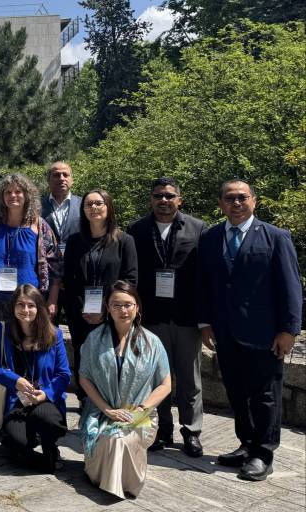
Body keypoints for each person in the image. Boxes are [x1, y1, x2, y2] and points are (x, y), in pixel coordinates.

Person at [197, 179, 302, 482]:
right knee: (237, 393)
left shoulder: (276, 237)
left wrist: (289, 330)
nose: (236, 203)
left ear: (254, 201)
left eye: (242, 197)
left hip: (264, 334)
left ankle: (263, 453)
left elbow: (290, 287)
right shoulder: (211, 238)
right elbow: (203, 285)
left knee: (265, 395)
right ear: (221, 204)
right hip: (225, 334)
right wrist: (204, 323)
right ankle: (246, 444)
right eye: (230, 198)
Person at [127, 177, 206, 456]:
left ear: (179, 200)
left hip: (187, 318)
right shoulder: (136, 230)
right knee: (157, 378)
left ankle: (191, 431)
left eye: (169, 196)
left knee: (189, 378)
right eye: (158, 196)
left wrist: (205, 319)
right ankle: (163, 430)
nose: (164, 201)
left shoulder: (197, 229)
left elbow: (204, 277)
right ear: (151, 199)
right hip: (151, 318)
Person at [79, 281, 171, 499]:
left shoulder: (152, 342)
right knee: (109, 438)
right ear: (107, 308)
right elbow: (84, 378)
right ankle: (101, 477)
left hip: (139, 415)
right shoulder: (94, 339)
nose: (123, 310)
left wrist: (140, 409)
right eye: (116, 305)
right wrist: (107, 410)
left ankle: (122, 483)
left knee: (120, 439)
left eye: (128, 304)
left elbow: (165, 385)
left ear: (137, 307)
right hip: (101, 413)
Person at [0, 284, 70, 473]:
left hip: (44, 399)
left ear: (39, 307)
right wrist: (15, 380)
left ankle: (50, 446)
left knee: (46, 419)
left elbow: (64, 375)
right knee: (18, 445)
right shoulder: (1, 330)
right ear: (13, 307)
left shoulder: (54, 334)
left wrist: (45, 394)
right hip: (17, 401)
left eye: (31, 305)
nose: (25, 310)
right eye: (20, 305)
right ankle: (26, 445)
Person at [62, 189, 137, 401]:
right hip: (81, 314)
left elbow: (130, 280)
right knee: (84, 358)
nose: (93, 208)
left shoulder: (124, 240)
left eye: (98, 203)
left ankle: (113, 403)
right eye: (88, 204)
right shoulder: (75, 241)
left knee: (112, 359)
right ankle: (86, 401)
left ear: (108, 207)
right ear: (83, 210)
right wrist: (82, 310)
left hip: (114, 315)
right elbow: (70, 280)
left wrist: (106, 310)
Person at [0, 173, 61, 325]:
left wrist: (52, 300)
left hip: (29, 302)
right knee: (0, 344)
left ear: (27, 195)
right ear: (2, 196)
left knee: (27, 345)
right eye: (8, 192)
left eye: (18, 191)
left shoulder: (40, 226)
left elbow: (56, 266)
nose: (13, 195)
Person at [40, 162, 82, 251]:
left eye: (65, 175)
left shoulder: (83, 204)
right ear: (48, 180)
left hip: (77, 260)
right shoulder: (37, 205)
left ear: (72, 180)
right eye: (56, 175)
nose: (61, 178)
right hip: (47, 261)